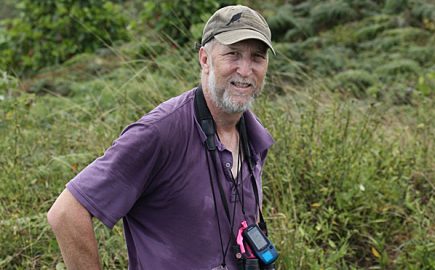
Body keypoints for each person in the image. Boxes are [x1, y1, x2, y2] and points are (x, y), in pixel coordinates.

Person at [47, 4, 276, 270]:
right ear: (204, 59)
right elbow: (65, 213)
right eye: (233, 54)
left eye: (257, 58)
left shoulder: (255, 137)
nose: (245, 70)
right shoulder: (160, 132)